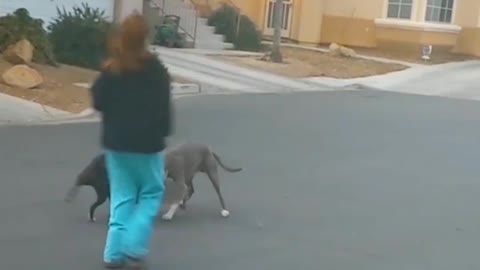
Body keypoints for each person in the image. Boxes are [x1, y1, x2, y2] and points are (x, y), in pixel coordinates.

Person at [89, 13, 173, 269]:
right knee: (151, 192)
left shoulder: (112, 68)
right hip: (148, 146)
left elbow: (98, 100)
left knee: (122, 197)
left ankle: (113, 253)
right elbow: (164, 108)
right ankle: (134, 245)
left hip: (116, 146)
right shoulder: (156, 70)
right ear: (144, 39)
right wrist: (163, 131)